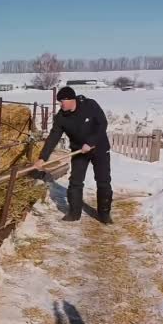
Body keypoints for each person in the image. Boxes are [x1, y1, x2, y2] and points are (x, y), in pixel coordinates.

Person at [34, 86, 113, 224]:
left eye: (62, 101)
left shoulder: (90, 105)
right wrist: (42, 157)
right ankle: (74, 213)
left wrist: (90, 142)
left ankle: (104, 214)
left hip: (99, 148)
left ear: (71, 99)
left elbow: (102, 124)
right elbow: (53, 137)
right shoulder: (61, 117)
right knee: (75, 181)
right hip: (79, 151)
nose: (60, 104)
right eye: (59, 102)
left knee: (103, 181)